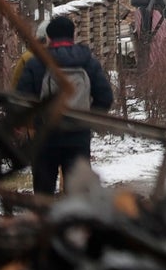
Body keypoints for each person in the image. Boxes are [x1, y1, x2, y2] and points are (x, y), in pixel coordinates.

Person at [15, 16, 114, 195]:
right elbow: (105, 97)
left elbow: (20, 100)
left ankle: (43, 221)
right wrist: (88, 119)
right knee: (77, 194)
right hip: (78, 137)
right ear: (73, 35)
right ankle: (73, 222)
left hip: (45, 137)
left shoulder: (37, 63)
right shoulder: (87, 62)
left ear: (49, 37)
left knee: (43, 193)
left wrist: (29, 123)